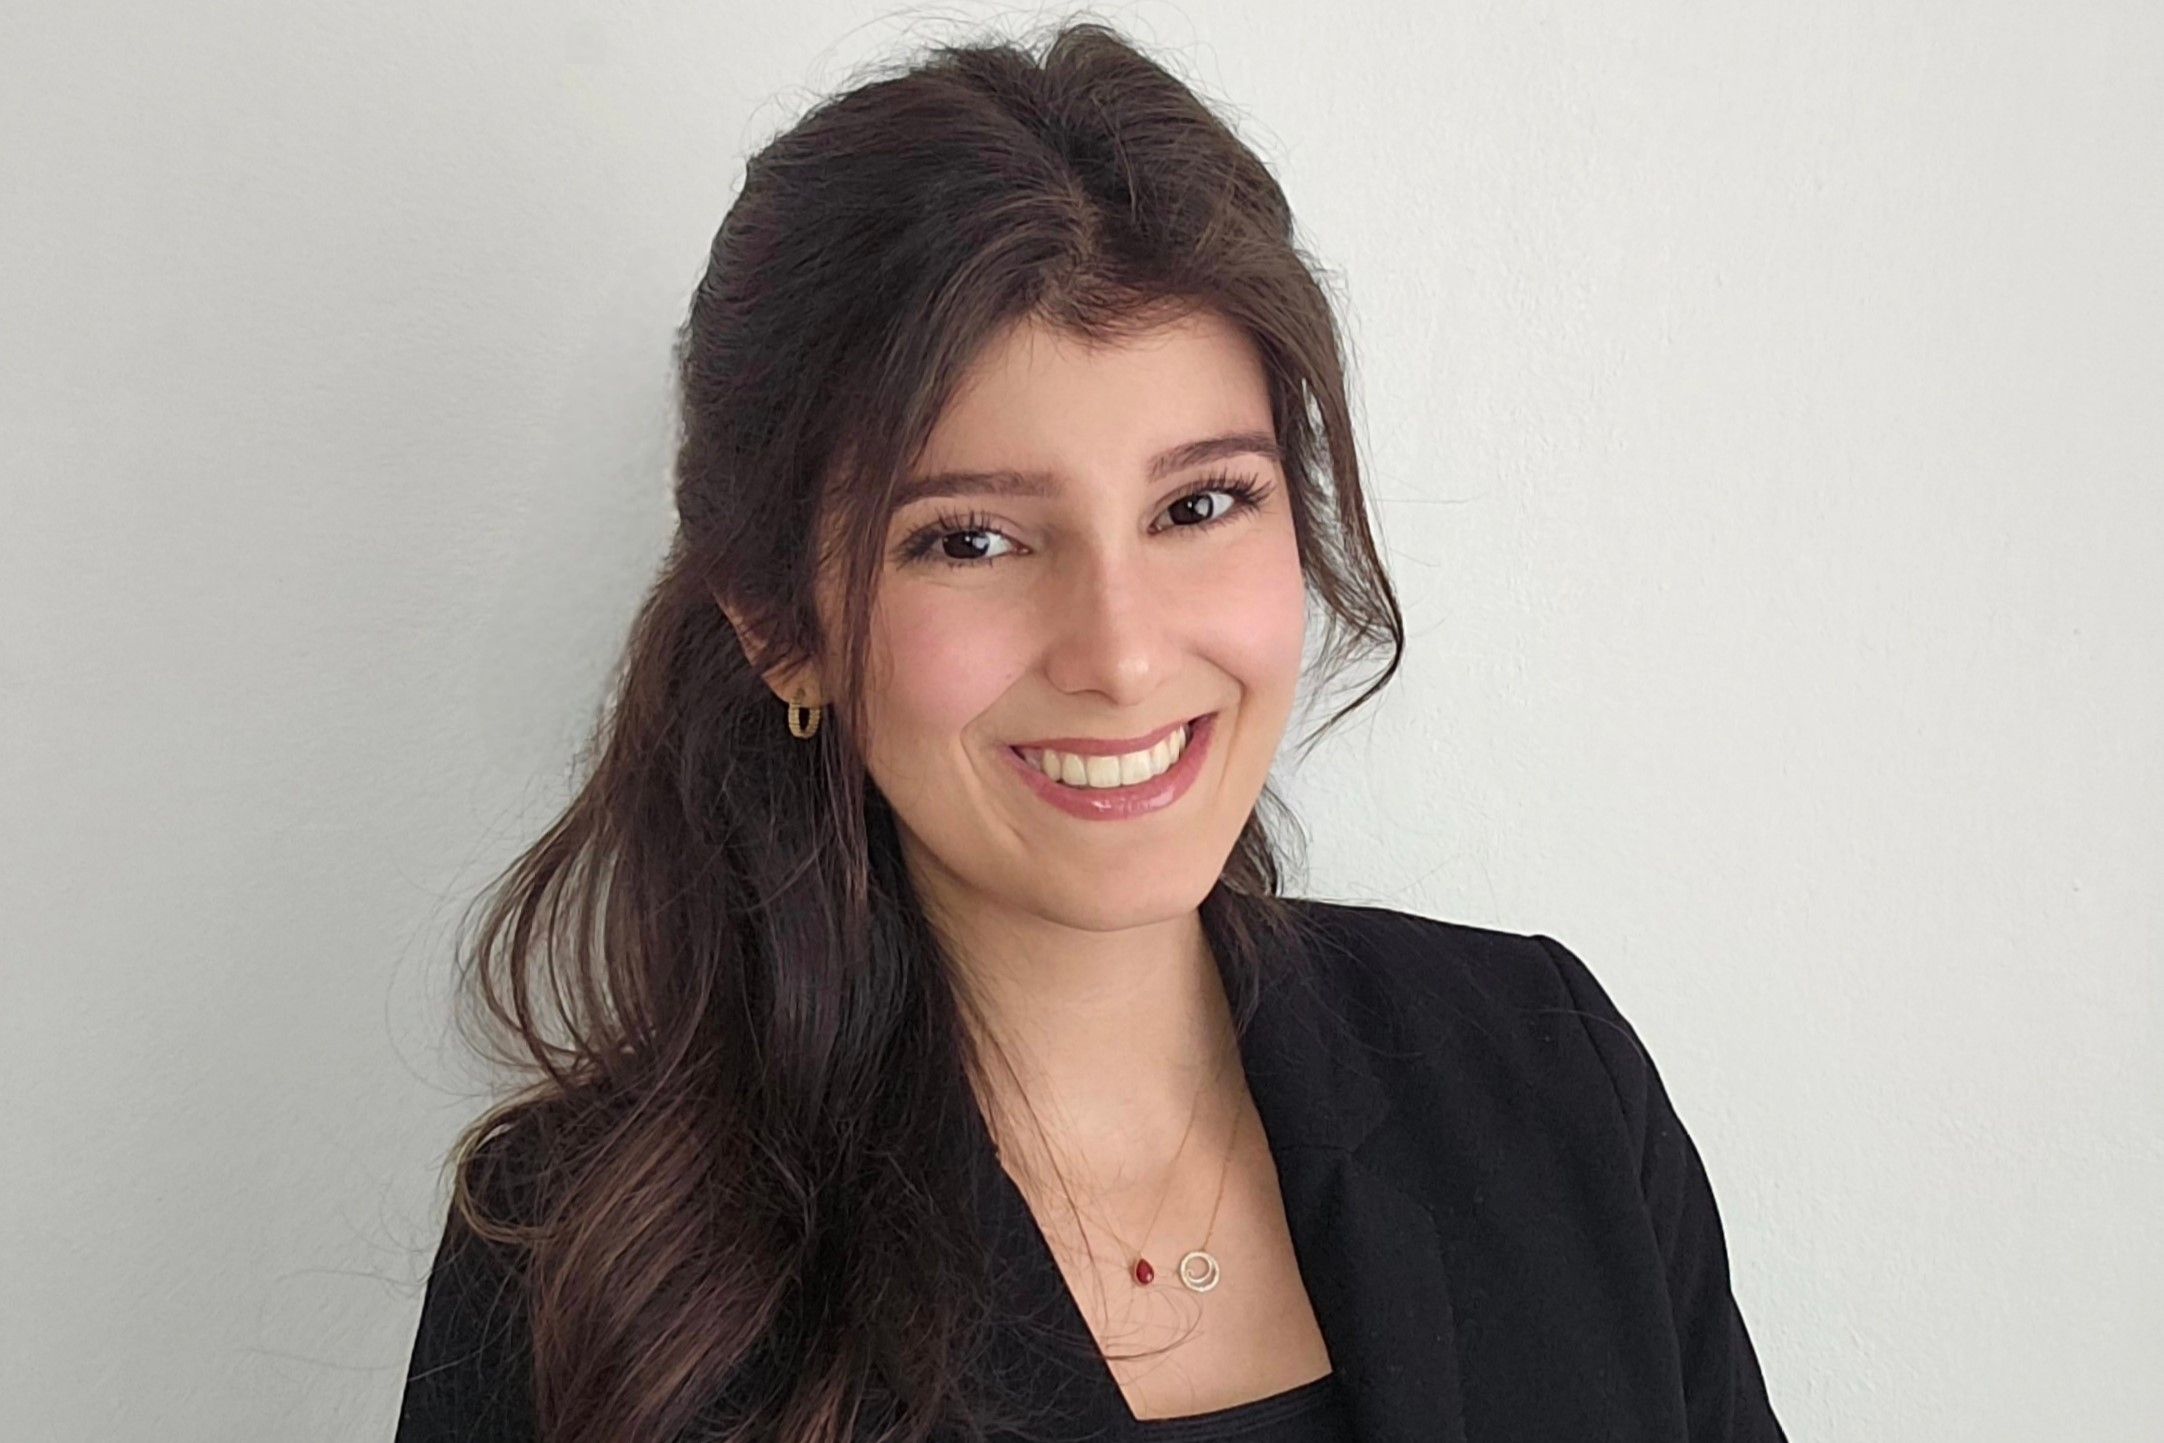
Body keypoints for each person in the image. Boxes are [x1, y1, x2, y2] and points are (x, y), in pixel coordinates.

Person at [395, 19, 1788, 1443]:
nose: (1120, 656)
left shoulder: (1544, 1076)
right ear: (778, 620)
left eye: (1200, 506)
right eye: (974, 538)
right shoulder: (586, 1261)